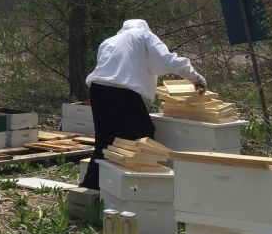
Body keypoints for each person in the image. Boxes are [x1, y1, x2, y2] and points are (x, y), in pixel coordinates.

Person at [81, 18, 206, 190]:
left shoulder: (110, 41)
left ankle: (92, 187)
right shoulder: (144, 35)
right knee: (142, 135)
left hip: (97, 89)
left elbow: (123, 67)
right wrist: (194, 77)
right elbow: (167, 61)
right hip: (120, 91)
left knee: (105, 140)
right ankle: (143, 188)